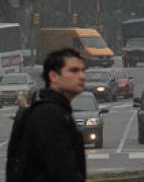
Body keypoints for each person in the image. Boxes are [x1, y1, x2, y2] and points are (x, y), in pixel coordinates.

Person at [6, 48, 87, 181]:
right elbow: (62, 171)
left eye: (83, 71)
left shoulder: (56, 111)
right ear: (54, 76)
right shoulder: (49, 115)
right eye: (73, 71)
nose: (82, 76)